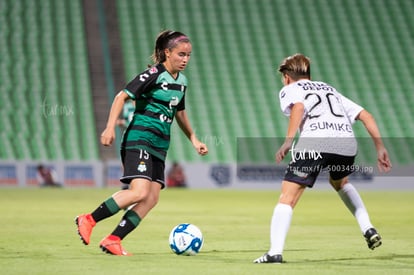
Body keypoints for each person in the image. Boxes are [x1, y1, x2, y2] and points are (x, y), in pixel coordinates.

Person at [75, 30, 208, 256]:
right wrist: (109, 127)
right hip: (140, 138)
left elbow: (180, 113)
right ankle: (88, 219)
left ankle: (113, 239)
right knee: (139, 192)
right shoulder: (153, 74)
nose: (185, 59)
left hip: (160, 144)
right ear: (167, 52)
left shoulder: (182, 82)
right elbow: (121, 96)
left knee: (152, 198)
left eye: (188, 55)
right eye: (181, 54)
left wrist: (194, 138)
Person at [254, 54, 392, 263]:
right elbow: (366, 115)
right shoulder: (329, 89)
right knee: (340, 182)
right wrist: (380, 147)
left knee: (287, 197)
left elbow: (298, 108)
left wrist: (287, 142)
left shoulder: (290, 89)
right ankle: (368, 227)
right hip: (345, 143)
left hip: (315, 141)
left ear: (287, 76)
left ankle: (274, 252)